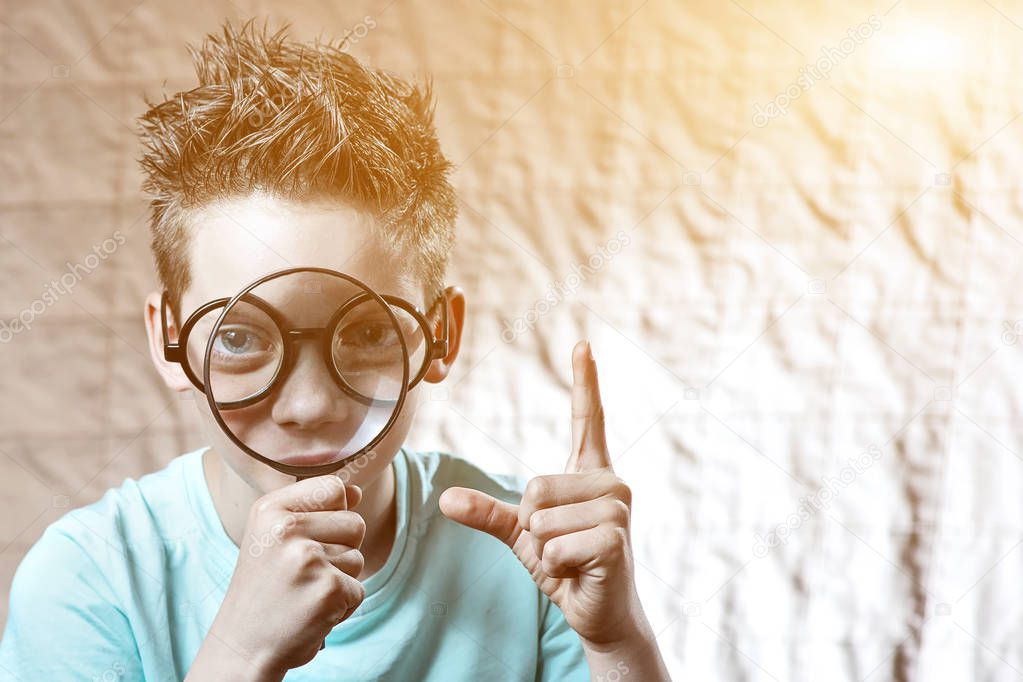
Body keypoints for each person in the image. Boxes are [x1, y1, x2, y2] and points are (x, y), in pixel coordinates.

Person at [0, 19, 670, 681]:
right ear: (168, 342)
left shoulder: (532, 554)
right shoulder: (90, 579)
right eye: (238, 338)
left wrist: (615, 641)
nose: (311, 404)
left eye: (368, 333)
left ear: (440, 335)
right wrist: (239, 653)